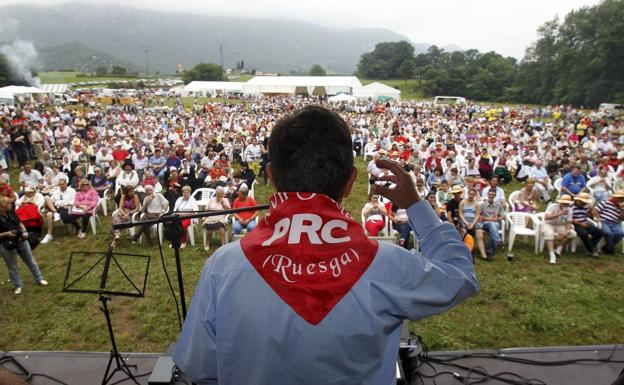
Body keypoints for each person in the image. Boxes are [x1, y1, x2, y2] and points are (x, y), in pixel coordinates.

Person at [172, 105, 478, 385]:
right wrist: (415, 204)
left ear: (271, 178)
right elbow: (458, 275)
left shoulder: (224, 266)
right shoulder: (386, 264)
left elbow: (199, 367)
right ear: (350, 182)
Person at [0, 196, 47, 295]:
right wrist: (7, 234)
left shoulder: (11, 212)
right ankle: (18, 285)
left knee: (30, 260)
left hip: (20, 239)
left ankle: (39, 279)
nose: (10, 205)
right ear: (1, 207)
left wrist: (24, 230)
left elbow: (19, 222)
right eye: (7, 204)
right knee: (12, 266)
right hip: (6, 244)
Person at [543, 195, 576, 264]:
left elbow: (569, 222)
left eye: (567, 204)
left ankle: (559, 248)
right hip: (548, 223)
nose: (565, 205)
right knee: (549, 233)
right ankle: (551, 254)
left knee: (572, 234)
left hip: (560, 225)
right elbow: (546, 217)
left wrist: (567, 230)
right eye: (564, 203)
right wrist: (559, 214)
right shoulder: (552, 206)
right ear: (560, 202)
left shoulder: (570, 210)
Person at [40, 178, 76, 244]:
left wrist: (66, 204)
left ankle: (49, 234)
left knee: (49, 214)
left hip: (66, 208)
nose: (61, 186)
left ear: (66, 184)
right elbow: (51, 200)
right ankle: (49, 235)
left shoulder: (71, 190)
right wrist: (44, 205)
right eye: (60, 185)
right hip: (57, 208)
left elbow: (74, 200)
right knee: (46, 198)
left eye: (62, 184)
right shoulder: (56, 192)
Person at [571, 192, 602, 258]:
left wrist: (590, 211)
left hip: (585, 223)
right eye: (582, 202)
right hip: (575, 224)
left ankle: (589, 247)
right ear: (577, 200)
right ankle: (592, 251)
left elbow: (590, 217)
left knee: (599, 232)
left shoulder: (585, 207)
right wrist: (581, 224)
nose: (583, 203)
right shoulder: (571, 207)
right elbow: (570, 219)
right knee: (584, 233)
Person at [593, 190, 624, 254]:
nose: (619, 199)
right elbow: (596, 209)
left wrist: (621, 209)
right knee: (608, 233)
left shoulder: (622, 207)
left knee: (620, 233)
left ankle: (607, 247)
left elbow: (621, 218)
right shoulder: (606, 202)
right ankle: (610, 248)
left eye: (621, 198)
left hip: (615, 223)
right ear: (614, 197)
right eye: (618, 198)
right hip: (604, 221)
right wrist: (598, 218)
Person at [477, 189, 504, 260]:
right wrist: (488, 219)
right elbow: (478, 216)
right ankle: (497, 240)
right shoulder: (482, 205)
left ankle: (489, 250)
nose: (491, 196)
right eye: (490, 194)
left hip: (495, 223)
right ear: (487, 195)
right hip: (485, 224)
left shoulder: (498, 205)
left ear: (495, 196)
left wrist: (497, 219)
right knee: (493, 224)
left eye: (493, 195)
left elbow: (502, 215)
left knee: (494, 225)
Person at [202, 186, 231, 251]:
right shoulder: (211, 199)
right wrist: (205, 215)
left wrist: (224, 205)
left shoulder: (225, 200)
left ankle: (223, 244)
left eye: (221, 195)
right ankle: (207, 244)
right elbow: (206, 209)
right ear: (216, 194)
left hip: (220, 217)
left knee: (221, 228)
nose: (219, 197)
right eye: (218, 195)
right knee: (209, 228)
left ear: (223, 195)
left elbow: (229, 210)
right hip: (211, 217)